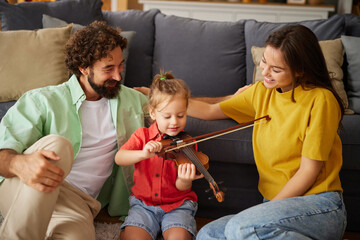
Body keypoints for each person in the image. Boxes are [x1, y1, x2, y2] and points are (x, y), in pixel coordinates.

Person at [188, 24, 347, 239]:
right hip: (274, 208)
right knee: (208, 234)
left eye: (276, 69)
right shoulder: (261, 92)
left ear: (300, 69)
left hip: (317, 205)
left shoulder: (321, 100)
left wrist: (264, 213)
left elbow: (308, 171)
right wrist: (159, 98)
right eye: (264, 61)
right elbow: (209, 110)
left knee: (241, 229)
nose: (265, 72)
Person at [0, 21, 148, 239]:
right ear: (84, 68)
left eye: (120, 66)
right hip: (27, 187)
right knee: (59, 146)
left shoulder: (132, 100)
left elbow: (176, 105)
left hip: (78, 202)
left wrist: (213, 105)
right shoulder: (42, 100)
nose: (118, 76)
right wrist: (19, 163)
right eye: (108, 68)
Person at [115, 72, 203, 240]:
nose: (174, 122)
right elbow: (119, 158)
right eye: (167, 116)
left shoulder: (187, 143)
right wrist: (143, 153)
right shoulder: (142, 136)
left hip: (177, 206)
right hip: (143, 205)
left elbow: (182, 188)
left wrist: (185, 180)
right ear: (153, 113)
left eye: (180, 115)